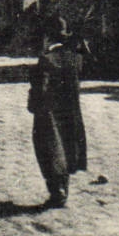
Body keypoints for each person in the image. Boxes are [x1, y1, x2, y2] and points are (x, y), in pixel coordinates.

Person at [30, 37, 89, 208]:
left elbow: (40, 88)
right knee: (67, 147)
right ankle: (64, 189)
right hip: (70, 113)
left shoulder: (46, 60)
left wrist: (34, 104)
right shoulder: (75, 58)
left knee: (48, 150)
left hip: (48, 113)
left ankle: (57, 191)